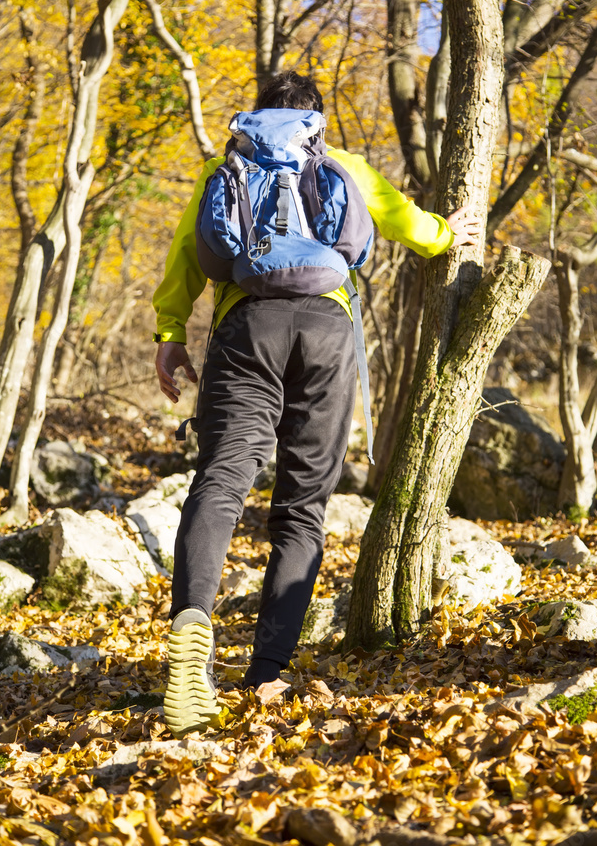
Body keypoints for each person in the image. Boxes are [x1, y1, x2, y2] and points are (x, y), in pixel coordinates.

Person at [153, 71, 480, 735]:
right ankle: (267, 670)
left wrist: (168, 334)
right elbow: (411, 229)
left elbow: (188, 257)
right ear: (315, 121)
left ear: (257, 115)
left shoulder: (227, 168)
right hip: (327, 333)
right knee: (301, 504)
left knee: (220, 483)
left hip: (247, 330)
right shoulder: (345, 166)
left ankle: (192, 625)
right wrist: (452, 232)